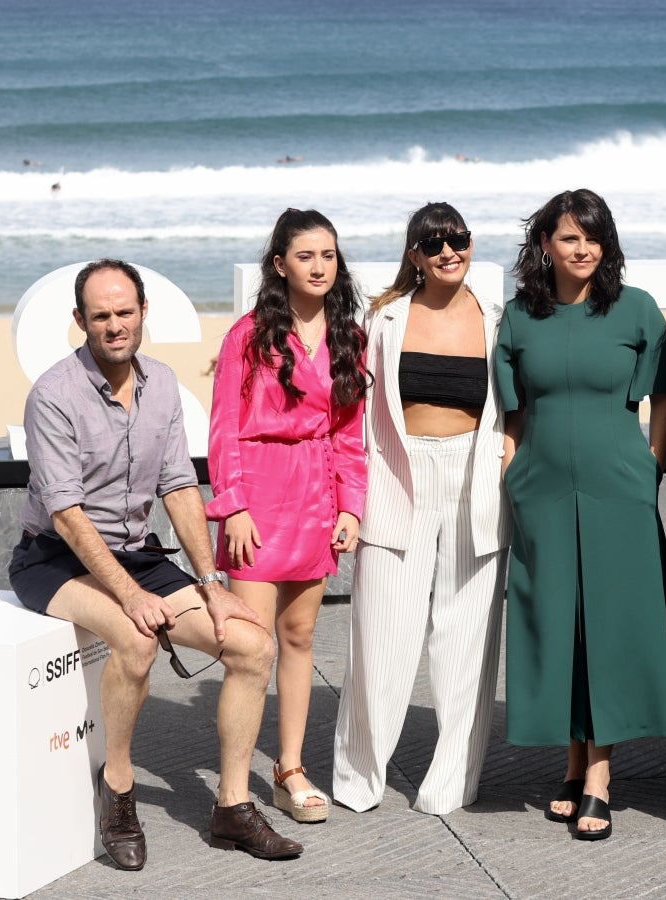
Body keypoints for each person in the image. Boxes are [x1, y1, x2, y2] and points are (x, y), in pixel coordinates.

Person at [9, 259, 302, 869]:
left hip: (138, 555)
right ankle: (117, 787)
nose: (115, 325)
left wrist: (212, 582)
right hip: (54, 559)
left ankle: (231, 808)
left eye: (125, 312)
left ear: (143, 312)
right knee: (135, 640)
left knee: (252, 643)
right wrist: (130, 598)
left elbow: (178, 485)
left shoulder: (163, 384)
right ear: (79, 321)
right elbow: (66, 513)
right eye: (101, 316)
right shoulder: (54, 395)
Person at [496, 189, 666, 842]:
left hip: (618, 485)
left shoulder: (634, 311)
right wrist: (510, 478)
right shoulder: (520, 316)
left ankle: (599, 776)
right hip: (541, 488)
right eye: (569, 237)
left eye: (593, 238)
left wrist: (650, 466)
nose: (582, 249)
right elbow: (512, 414)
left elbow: (663, 397)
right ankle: (573, 763)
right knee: (558, 626)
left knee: (609, 627)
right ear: (543, 244)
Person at [332, 202, 509, 815]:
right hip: (396, 477)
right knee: (380, 637)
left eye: (457, 239)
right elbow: (355, 416)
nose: (447, 252)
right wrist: (347, 499)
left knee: (466, 640)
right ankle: (359, 776)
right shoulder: (384, 318)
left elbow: (516, 405)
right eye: (432, 245)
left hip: (475, 479)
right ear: (414, 255)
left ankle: (452, 780)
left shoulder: (496, 317)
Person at [206, 208, 368, 825]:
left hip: (317, 496)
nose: (319, 266)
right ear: (280, 264)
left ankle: (289, 769)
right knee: (252, 647)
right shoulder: (247, 334)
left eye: (328, 254)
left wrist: (351, 506)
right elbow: (222, 428)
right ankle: (233, 792)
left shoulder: (348, 337)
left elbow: (349, 437)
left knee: (301, 638)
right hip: (259, 495)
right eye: (305, 256)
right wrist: (235, 506)